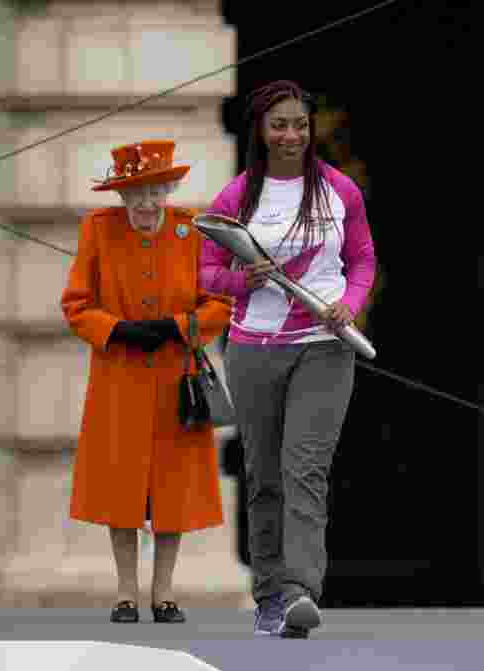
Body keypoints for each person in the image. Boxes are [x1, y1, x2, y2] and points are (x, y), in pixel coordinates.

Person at [200, 81, 377, 638]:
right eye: (279, 124)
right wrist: (241, 281)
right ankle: (270, 597)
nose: (291, 135)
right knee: (265, 475)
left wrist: (349, 305)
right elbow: (204, 272)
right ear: (261, 129)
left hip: (325, 347)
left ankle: (301, 591)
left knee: (306, 468)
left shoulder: (340, 190)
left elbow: (363, 259)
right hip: (254, 349)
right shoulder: (236, 197)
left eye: (300, 124)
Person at [61, 140, 233, 625]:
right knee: (122, 488)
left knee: (172, 490)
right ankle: (124, 594)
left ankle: (164, 593)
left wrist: (179, 327)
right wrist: (117, 330)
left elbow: (220, 303)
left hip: (177, 378)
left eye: (156, 191)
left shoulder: (192, 230)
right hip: (119, 378)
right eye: (136, 193)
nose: (147, 203)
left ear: (169, 190)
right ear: (121, 194)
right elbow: (76, 304)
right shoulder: (98, 230)